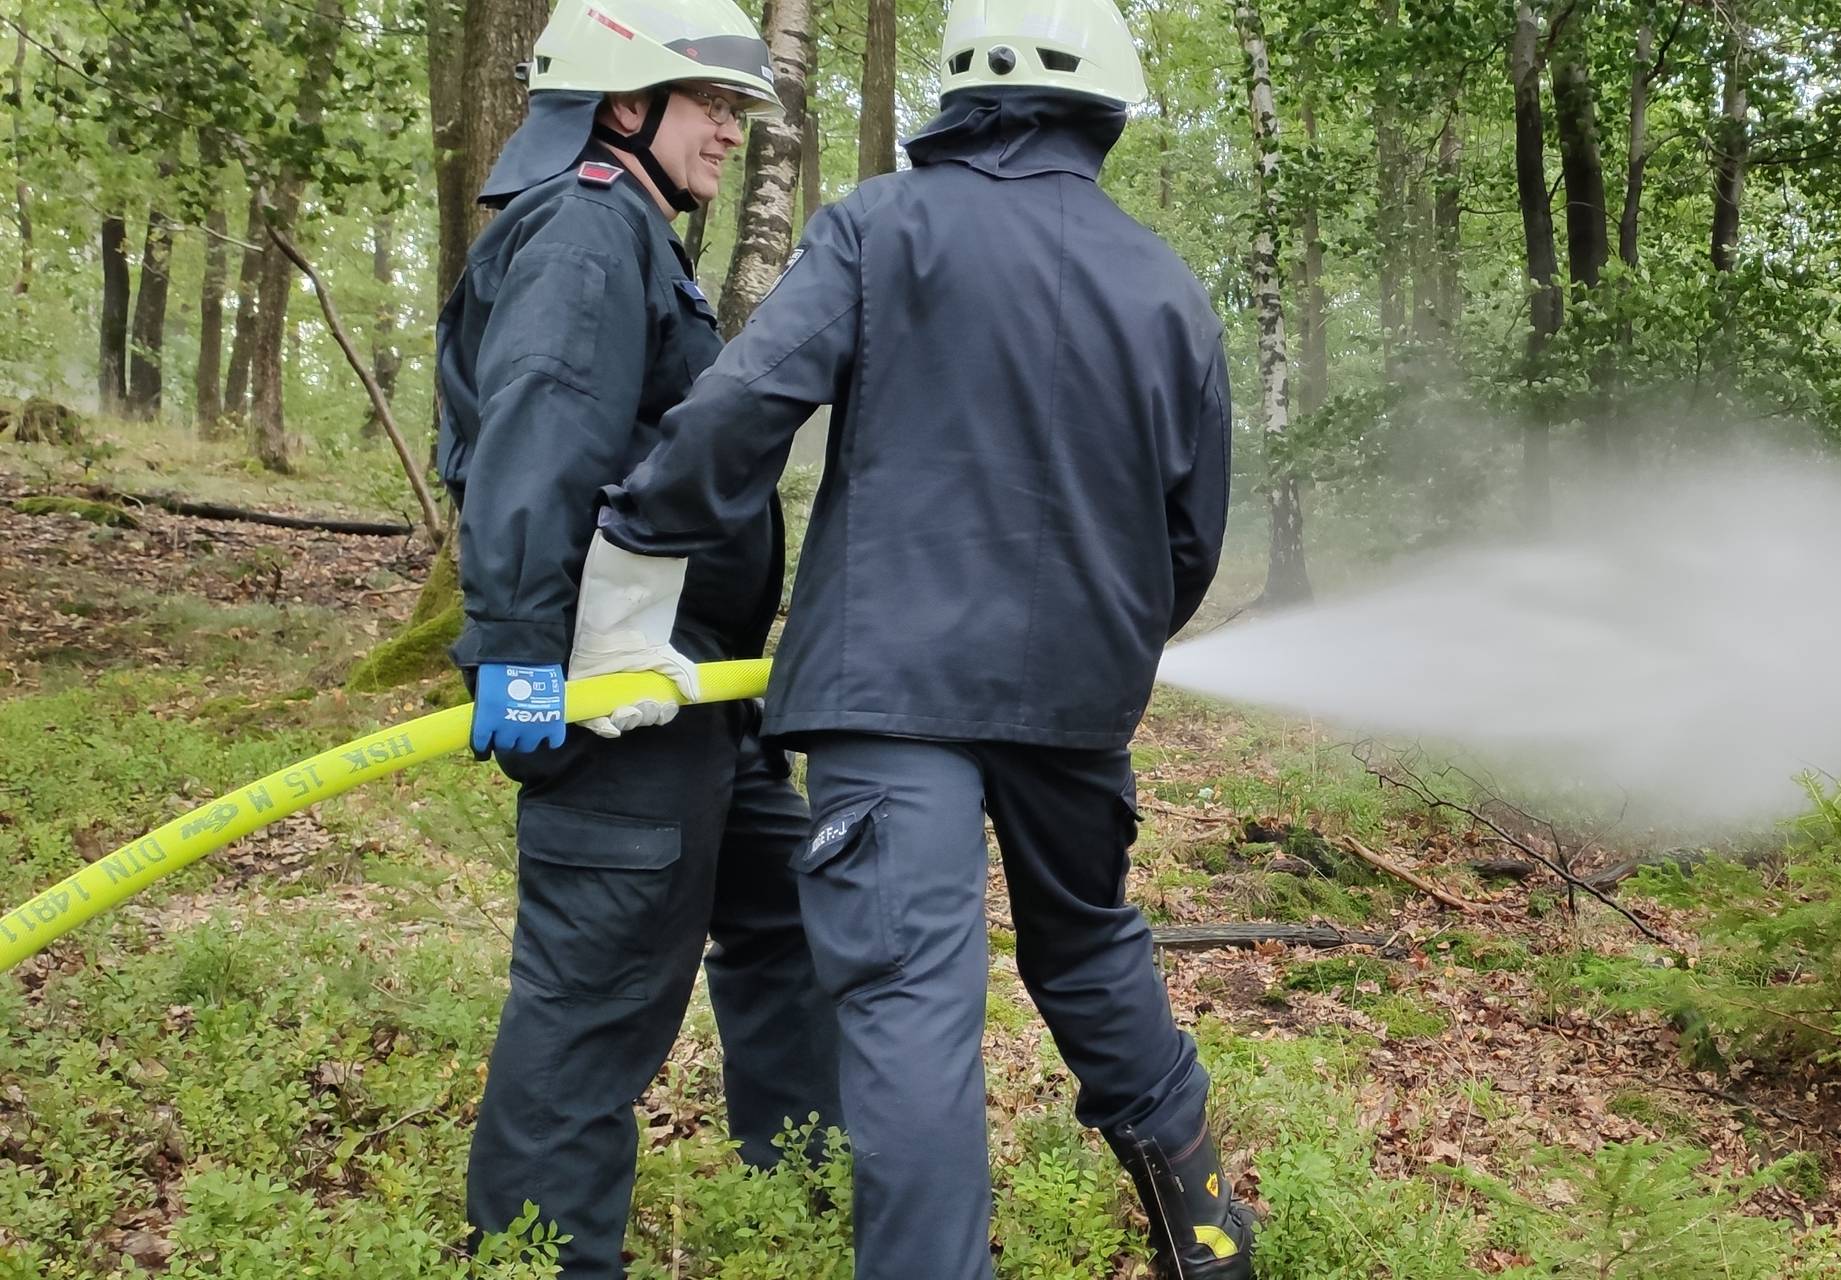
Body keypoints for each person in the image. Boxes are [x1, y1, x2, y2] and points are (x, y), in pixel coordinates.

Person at [573, 0, 1248, 1272]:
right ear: (1105, 106)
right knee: (1092, 944)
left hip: (887, 701)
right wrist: (1109, 645)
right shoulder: (1165, 283)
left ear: (961, 91)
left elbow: (743, 407)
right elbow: (1191, 537)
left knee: (906, 1002)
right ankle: (1208, 1230)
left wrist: (636, 547)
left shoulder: (882, 227)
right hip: (1077, 701)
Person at [432, 1, 840, 1272]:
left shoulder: (629, 231)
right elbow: (540, 429)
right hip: (614, 702)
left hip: (696, 693)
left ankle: (806, 1197)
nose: (731, 126)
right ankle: (539, 1256)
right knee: (595, 997)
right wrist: (514, 644)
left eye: (735, 108)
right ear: (623, 106)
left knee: (793, 923)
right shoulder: (588, 231)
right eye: (709, 102)